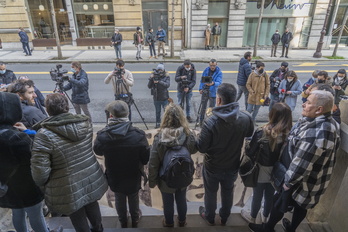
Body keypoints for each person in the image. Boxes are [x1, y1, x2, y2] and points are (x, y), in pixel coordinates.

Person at [249, 90, 341, 232]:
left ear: (319, 109)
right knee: (300, 206)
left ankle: (268, 228)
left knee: (279, 202)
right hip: (314, 179)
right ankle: (291, 228)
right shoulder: (328, 122)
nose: (303, 104)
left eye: (308, 102)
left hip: (301, 180)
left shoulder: (316, 134)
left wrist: (286, 184)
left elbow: (301, 164)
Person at [31, 93, 108, 232]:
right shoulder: (85, 123)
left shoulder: (44, 135)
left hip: (65, 183)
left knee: (75, 210)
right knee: (91, 202)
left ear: (48, 110)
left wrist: (43, 184)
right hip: (89, 174)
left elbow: (40, 172)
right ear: (66, 107)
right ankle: (98, 229)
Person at [0, 92, 62, 232]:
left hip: (7, 186)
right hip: (26, 186)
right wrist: (27, 133)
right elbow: (35, 158)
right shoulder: (17, 138)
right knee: (36, 215)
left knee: (17, 213)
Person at [197, 83, 254, 226]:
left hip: (212, 165)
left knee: (210, 192)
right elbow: (248, 135)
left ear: (218, 100)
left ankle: (209, 216)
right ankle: (224, 217)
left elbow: (201, 148)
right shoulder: (246, 118)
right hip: (233, 164)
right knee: (228, 191)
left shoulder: (210, 122)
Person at [93, 100, 150, 228]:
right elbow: (146, 158)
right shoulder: (138, 135)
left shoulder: (103, 136)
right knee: (133, 196)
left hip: (114, 175)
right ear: (127, 114)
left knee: (119, 197)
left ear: (111, 116)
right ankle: (135, 219)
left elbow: (97, 151)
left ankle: (123, 221)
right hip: (133, 174)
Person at [241, 102, 292, 224]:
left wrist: (247, 144)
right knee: (270, 195)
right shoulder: (290, 134)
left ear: (272, 115)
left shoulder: (262, 132)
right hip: (279, 173)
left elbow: (250, 152)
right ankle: (265, 217)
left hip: (260, 170)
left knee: (257, 195)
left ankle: (252, 217)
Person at [149, 103, 197, 227]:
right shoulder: (188, 135)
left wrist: (152, 181)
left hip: (165, 178)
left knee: (167, 201)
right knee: (181, 199)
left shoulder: (159, 138)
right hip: (183, 175)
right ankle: (182, 221)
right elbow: (194, 150)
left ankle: (168, 222)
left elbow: (153, 162)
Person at [198, 59, 223, 124]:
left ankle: (210, 122)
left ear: (216, 65)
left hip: (213, 92)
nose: (212, 67)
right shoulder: (206, 70)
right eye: (211, 65)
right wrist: (200, 89)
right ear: (209, 65)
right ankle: (201, 121)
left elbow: (219, 82)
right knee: (203, 107)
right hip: (205, 91)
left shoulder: (219, 72)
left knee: (211, 109)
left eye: (214, 65)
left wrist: (213, 83)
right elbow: (202, 80)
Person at [148, 63, 170, 128]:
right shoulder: (154, 76)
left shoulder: (166, 76)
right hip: (156, 97)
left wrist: (159, 82)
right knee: (157, 112)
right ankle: (158, 123)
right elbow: (149, 86)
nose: (160, 71)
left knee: (166, 112)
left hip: (164, 97)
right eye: (158, 70)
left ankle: (166, 124)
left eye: (161, 70)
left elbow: (167, 85)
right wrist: (151, 79)